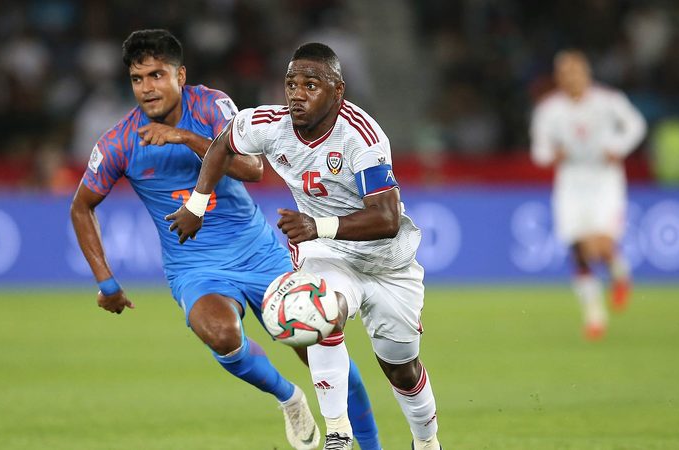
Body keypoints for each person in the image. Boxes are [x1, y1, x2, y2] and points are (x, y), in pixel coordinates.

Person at [69, 30, 382, 449]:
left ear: (180, 75)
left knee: (323, 347)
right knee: (221, 335)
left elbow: (253, 168)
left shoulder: (210, 106)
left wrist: (185, 138)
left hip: (258, 253)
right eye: (137, 79)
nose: (147, 88)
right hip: (194, 267)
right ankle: (288, 398)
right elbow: (81, 206)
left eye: (157, 75)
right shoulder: (119, 142)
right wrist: (106, 282)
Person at [168, 43, 442, 450]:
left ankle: (427, 441)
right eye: (291, 84)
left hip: (387, 262)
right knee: (318, 312)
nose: (297, 94)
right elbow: (223, 143)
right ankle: (338, 432)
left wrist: (318, 225)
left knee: (401, 368)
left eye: (310, 85)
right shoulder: (269, 124)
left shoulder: (361, 137)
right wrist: (196, 203)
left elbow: (386, 219)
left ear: (337, 91)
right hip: (327, 253)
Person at [530, 50, 646, 340]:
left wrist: (618, 147)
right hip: (571, 182)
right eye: (565, 73)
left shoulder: (609, 100)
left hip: (604, 179)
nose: (571, 78)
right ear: (558, 78)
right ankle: (594, 315)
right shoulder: (549, 109)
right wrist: (552, 154)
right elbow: (539, 151)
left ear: (586, 73)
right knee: (579, 249)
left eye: (575, 72)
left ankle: (619, 272)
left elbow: (636, 125)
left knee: (600, 246)